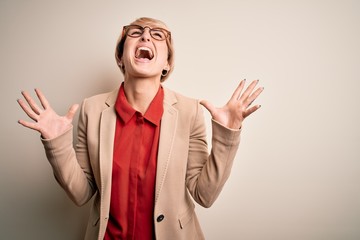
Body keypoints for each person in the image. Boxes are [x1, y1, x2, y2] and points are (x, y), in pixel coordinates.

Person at [17, 17, 263, 240]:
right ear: (120, 58)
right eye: (135, 32)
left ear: (167, 63)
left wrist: (227, 135)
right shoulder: (92, 110)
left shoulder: (189, 111)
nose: (146, 36)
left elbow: (204, 195)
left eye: (158, 35)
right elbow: (81, 194)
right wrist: (57, 142)